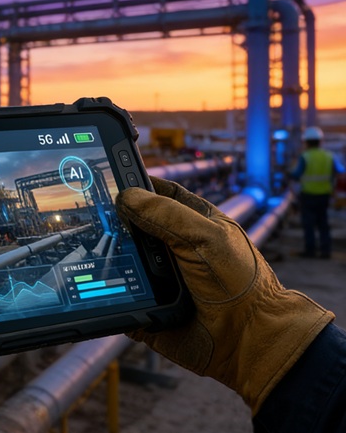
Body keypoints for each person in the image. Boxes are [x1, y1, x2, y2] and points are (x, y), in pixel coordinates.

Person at [116, 177, 346, 432]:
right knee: (318, 225)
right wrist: (256, 331)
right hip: (320, 197)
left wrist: (249, 334)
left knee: (312, 224)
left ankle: (314, 248)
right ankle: (318, 249)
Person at [289, 126, 345, 258]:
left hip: (308, 195)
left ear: (306, 142)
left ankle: (310, 251)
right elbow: (341, 171)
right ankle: (326, 251)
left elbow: (296, 175)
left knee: (309, 224)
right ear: (320, 141)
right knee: (323, 224)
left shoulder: (305, 156)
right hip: (324, 195)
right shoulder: (329, 156)